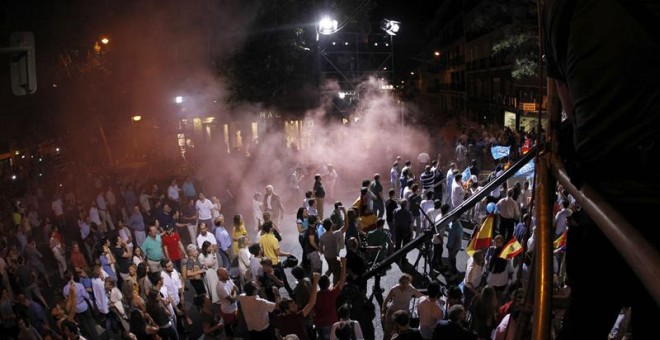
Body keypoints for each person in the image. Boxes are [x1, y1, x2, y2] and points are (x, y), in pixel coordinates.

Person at [544, 1, 660, 337]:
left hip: (604, 203)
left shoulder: (560, 10)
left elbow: (569, 108)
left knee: (586, 317)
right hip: (626, 196)